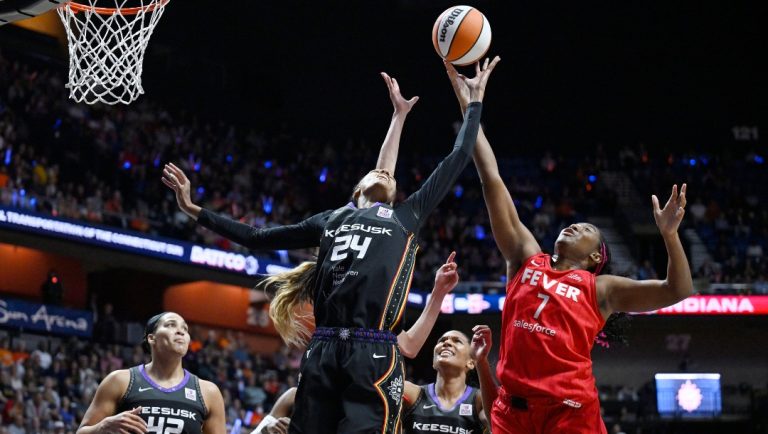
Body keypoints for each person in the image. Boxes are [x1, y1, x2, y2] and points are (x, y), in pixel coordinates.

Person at [163, 60, 499, 434]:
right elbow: (258, 237)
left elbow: (457, 156)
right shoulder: (332, 219)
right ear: (357, 190)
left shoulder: (406, 216)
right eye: (379, 172)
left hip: (373, 350)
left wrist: (473, 101)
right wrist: (196, 211)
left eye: (389, 175)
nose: (386, 174)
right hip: (323, 348)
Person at [445, 60, 694, 434]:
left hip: (570, 411)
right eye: (576, 223)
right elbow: (490, 177)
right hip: (512, 413)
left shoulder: (601, 289)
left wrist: (670, 236)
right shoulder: (526, 257)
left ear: (596, 256)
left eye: (588, 228)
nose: (577, 223)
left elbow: (679, 290)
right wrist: (471, 106)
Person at [252, 330, 491, 434]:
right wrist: (272, 425)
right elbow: (347, 390)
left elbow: (500, 420)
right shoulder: (414, 394)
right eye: (442, 340)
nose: (446, 343)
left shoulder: (479, 399)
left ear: (470, 362)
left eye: (456, 341)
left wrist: (483, 363)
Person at [77, 312, 226, 434]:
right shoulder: (120, 381)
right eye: (170, 325)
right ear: (151, 338)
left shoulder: (208, 392)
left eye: (185, 329)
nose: (181, 331)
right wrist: (102, 427)